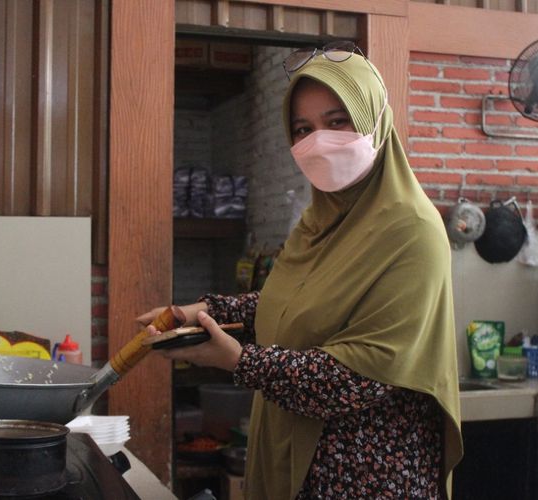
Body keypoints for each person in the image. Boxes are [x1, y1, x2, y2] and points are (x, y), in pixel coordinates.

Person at [138, 42, 463, 499]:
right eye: (302, 128)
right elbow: (296, 302)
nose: (319, 141)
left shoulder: (412, 230)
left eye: (337, 121)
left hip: (368, 477)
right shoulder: (318, 223)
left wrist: (237, 359)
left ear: (375, 120)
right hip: (297, 459)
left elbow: (360, 375)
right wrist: (202, 310)